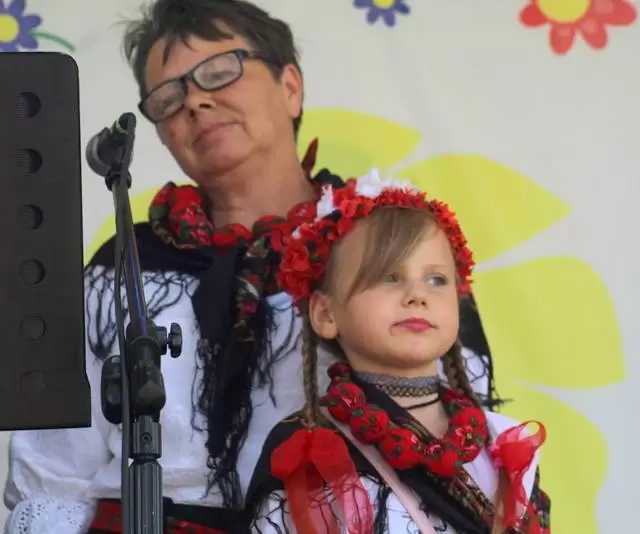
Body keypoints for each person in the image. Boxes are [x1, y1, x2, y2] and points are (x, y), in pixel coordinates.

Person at [2, 1, 498, 533]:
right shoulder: (123, 267)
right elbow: (53, 474)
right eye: (168, 97)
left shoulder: (383, 244)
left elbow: (456, 427)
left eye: (219, 72)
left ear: (290, 87)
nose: (195, 101)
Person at [243, 171, 550, 533]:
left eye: (436, 280)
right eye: (389, 277)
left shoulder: (501, 443)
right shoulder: (310, 452)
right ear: (326, 314)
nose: (418, 295)